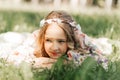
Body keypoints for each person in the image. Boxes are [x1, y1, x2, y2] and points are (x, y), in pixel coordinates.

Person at [32, 10, 108, 68]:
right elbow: (21, 58)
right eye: (48, 40)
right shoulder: (37, 38)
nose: (54, 47)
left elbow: (103, 61)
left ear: (70, 40)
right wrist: (35, 62)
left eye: (61, 41)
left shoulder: (80, 39)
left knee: (104, 44)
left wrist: (65, 63)